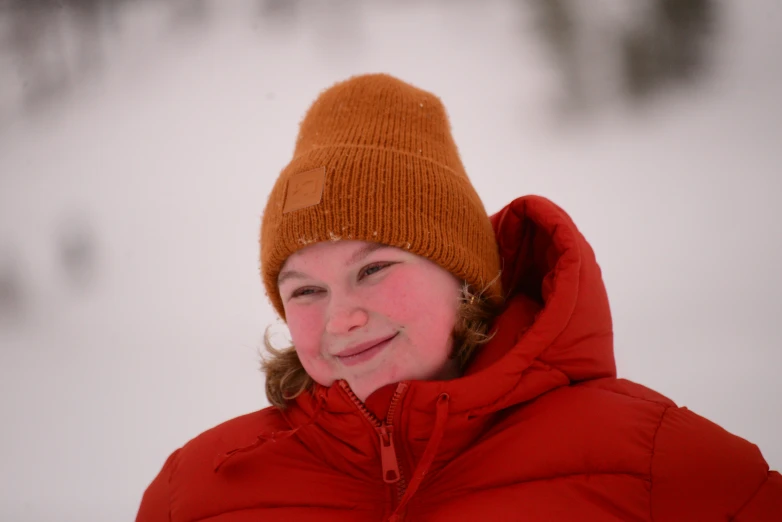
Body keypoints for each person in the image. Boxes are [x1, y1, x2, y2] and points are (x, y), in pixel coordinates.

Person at [135, 73, 781, 521]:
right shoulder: (192, 497)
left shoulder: (653, 467)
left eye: (374, 268)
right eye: (305, 289)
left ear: (463, 274)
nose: (343, 317)